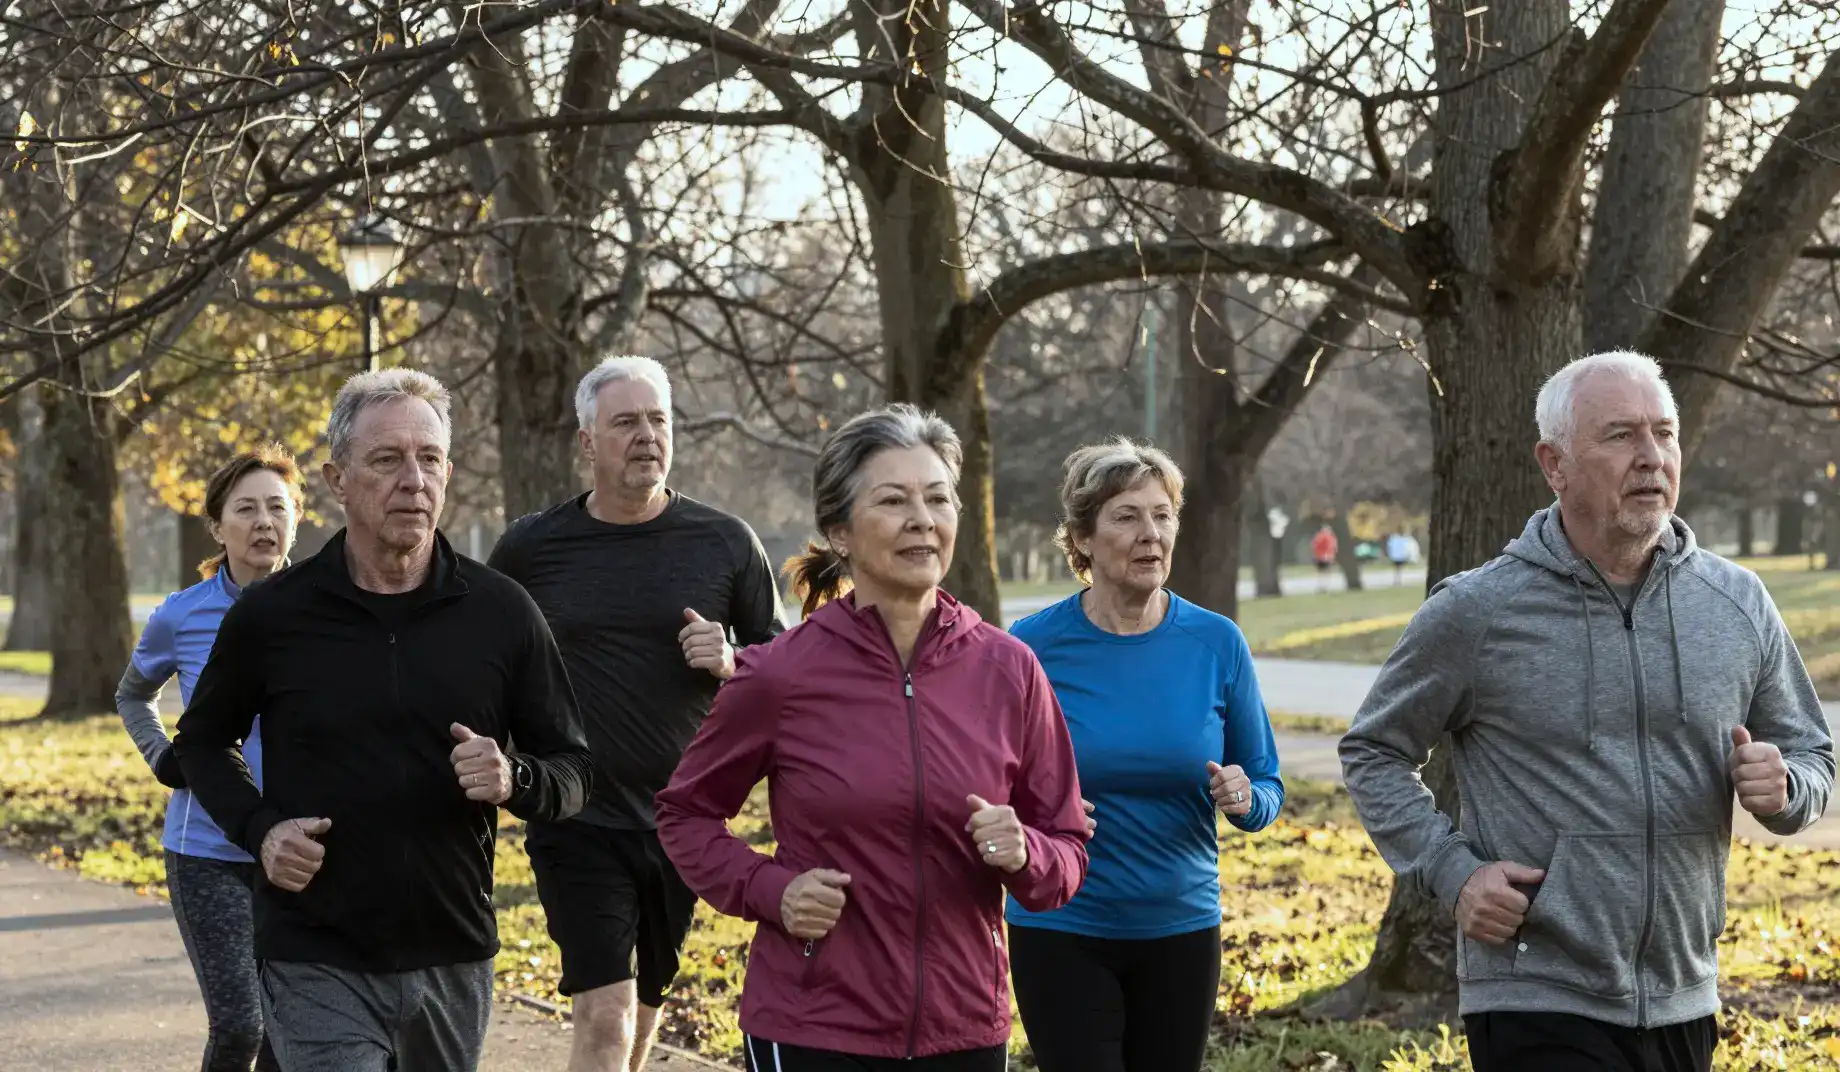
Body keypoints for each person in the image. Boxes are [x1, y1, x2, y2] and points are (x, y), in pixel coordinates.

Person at [1340, 351, 1835, 1072]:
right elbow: (1373, 751)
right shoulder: (1478, 610)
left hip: (1683, 992)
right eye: (1620, 436)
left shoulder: (1736, 604)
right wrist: (1454, 873)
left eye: (1663, 435)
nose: (1650, 458)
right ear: (1555, 464)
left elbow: (1812, 754)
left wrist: (1787, 787)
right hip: (1534, 991)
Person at [173, 368, 595, 1072]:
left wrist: (514, 777)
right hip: (316, 948)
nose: (413, 479)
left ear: (449, 472)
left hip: (451, 952)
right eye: (387, 459)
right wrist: (260, 829)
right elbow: (201, 742)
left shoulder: (501, 612)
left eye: (429, 459)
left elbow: (575, 770)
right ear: (338, 480)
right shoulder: (275, 614)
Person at [653, 403, 1091, 1072]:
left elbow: (1065, 847)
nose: (923, 519)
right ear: (840, 533)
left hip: (965, 1027)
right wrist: (772, 890)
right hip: (813, 1025)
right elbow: (684, 813)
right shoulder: (780, 673)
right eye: (894, 500)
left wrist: (1024, 850)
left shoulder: (1009, 669)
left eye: (939, 499)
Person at [487, 355, 786, 1072]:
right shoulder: (531, 549)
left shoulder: (724, 542)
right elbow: (482, 661)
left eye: (658, 420)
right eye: (626, 422)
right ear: (588, 441)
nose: (646, 435)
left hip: (685, 818)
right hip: (574, 814)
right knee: (607, 1011)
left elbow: (786, 670)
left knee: (645, 1005)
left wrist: (733, 658)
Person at [1004, 437, 1284, 1072]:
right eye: (1126, 516)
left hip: (1180, 927)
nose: (1149, 533)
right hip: (1060, 926)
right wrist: (1037, 811)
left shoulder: (1216, 642)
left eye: (1162, 515)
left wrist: (1245, 799)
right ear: (1081, 539)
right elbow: (984, 783)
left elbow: (1266, 781)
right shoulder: (1029, 648)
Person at [117, 445, 304, 1072]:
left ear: (297, 519)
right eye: (245, 509)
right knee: (241, 1029)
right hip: (208, 852)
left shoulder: (323, 608)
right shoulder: (183, 613)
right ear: (218, 526)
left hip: (303, 849)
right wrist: (164, 757)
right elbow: (133, 693)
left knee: (291, 1034)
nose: (263, 523)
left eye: (277, 508)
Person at [1311, 523, 1338, 591]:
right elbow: (1332, 547)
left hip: (1319, 556)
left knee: (1321, 572)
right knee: (1326, 572)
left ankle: (1322, 586)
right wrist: (1330, 555)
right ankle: (1325, 586)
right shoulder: (1329, 537)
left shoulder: (1318, 536)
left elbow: (1314, 546)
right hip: (1325, 556)